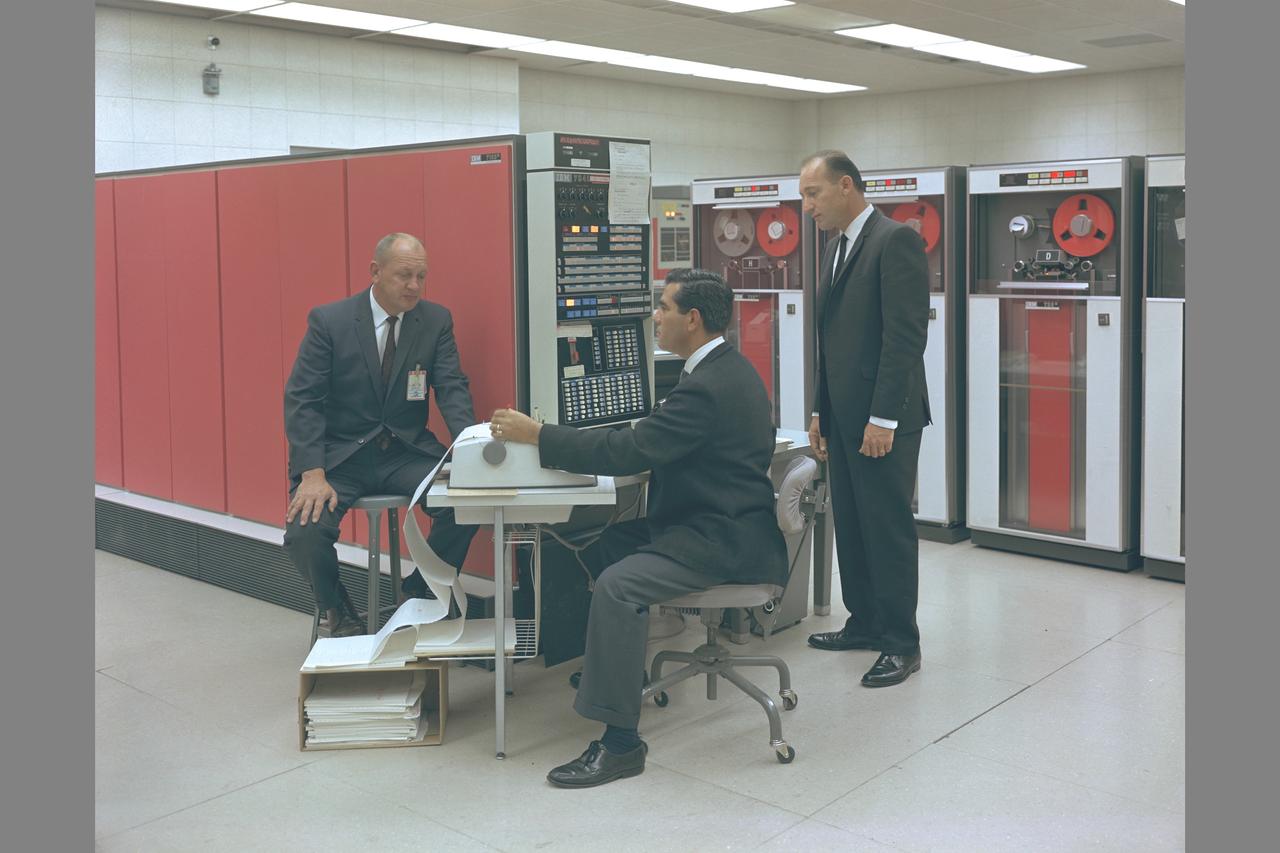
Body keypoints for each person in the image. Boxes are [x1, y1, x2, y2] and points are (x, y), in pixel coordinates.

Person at [490, 268, 787, 788]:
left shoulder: (706, 387)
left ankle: (621, 742)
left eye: (664, 308)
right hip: (722, 523)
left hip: (721, 539)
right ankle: (616, 670)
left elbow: (627, 449)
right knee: (604, 545)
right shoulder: (726, 370)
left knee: (619, 585)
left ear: (692, 319)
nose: (656, 316)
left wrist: (538, 434)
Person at [283, 233, 478, 638]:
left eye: (421, 277)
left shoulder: (435, 321)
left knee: (470, 499)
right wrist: (312, 473)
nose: (414, 286)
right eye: (404, 275)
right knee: (305, 532)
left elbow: (452, 388)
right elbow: (303, 400)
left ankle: (420, 596)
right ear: (375, 272)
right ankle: (338, 609)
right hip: (340, 458)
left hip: (405, 453)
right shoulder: (330, 321)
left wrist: (469, 448)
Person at [799, 150, 931, 688]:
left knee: (886, 528)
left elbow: (904, 339)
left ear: (846, 186)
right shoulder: (835, 248)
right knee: (850, 526)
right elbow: (829, 340)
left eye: (813, 194)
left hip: (884, 421)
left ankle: (902, 642)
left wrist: (883, 419)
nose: (807, 207)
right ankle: (865, 622)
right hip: (843, 417)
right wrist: (819, 410)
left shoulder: (894, 240)